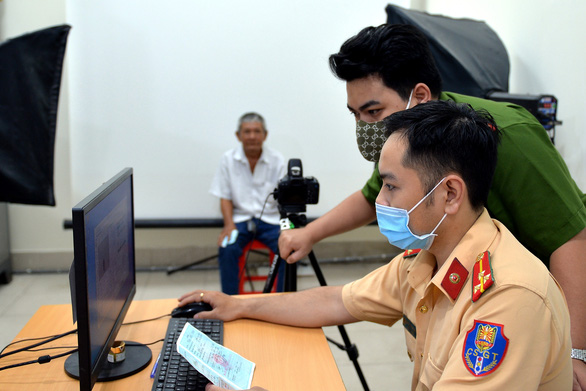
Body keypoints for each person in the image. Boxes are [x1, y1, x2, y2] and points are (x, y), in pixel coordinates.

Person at [181, 101, 573, 390]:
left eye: (391, 186)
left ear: (450, 194)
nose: (379, 202)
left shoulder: (507, 296)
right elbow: (338, 301)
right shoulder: (425, 259)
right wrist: (238, 305)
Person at [277, 24, 586, 388]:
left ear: (420, 95)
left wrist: (574, 353)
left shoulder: (509, 138)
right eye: (355, 115)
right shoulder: (414, 146)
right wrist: (310, 233)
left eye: (373, 111)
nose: (364, 127)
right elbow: (368, 198)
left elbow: (571, 239)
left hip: (529, 302)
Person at [209, 112, 286, 294]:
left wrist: (287, 227)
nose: (252, 136)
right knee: (227, 247)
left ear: (265, 135)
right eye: (247, 131)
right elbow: (225, 196)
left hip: (271, 221)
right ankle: (230, 301)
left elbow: (285, 198)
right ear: (238, 135)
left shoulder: (278, 160)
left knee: (289, 247)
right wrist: (228, 225)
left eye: (257, 131)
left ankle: (283, 298)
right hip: (239, 221)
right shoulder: (228, 159)